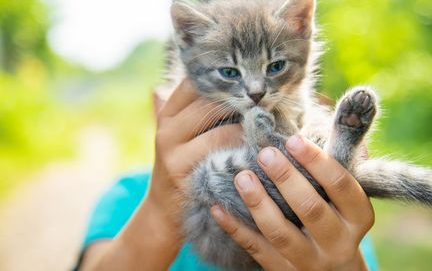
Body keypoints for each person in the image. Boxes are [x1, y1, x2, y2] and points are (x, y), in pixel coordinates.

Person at [76, 79, 378, 271]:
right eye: (223, 80)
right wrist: (159, 211)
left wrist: (343, 266)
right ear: (161, 105)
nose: (248, 100)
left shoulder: (326, 217)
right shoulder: (128, 195)